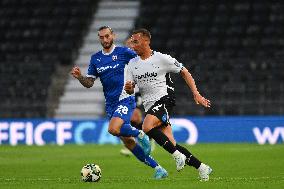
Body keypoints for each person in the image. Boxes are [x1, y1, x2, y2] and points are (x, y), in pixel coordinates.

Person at [71, 26, 168, 179]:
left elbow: (143, 59)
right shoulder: (96, 59)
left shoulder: (124, 52)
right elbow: (89, 83)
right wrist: (80, 77)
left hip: (125, 98)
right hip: (110, 104)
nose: (105, 40)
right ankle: (158, 169)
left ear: (113, 36)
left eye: (107, 36)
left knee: (113, 129)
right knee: (128, 142)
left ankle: (140, 133)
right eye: (101, 37)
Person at [124, 28, 213, 181]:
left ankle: (177, 156)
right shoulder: (131, 65)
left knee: (146, 127)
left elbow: (185, 72)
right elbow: (130, 88)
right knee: (171, 143)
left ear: (147, 41)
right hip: (150, 106)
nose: (133, 45)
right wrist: (129, 88)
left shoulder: (161, 58)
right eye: (132, 42)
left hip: (165, 99)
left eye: (136, 41)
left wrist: (196, 93)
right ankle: (202, 167)